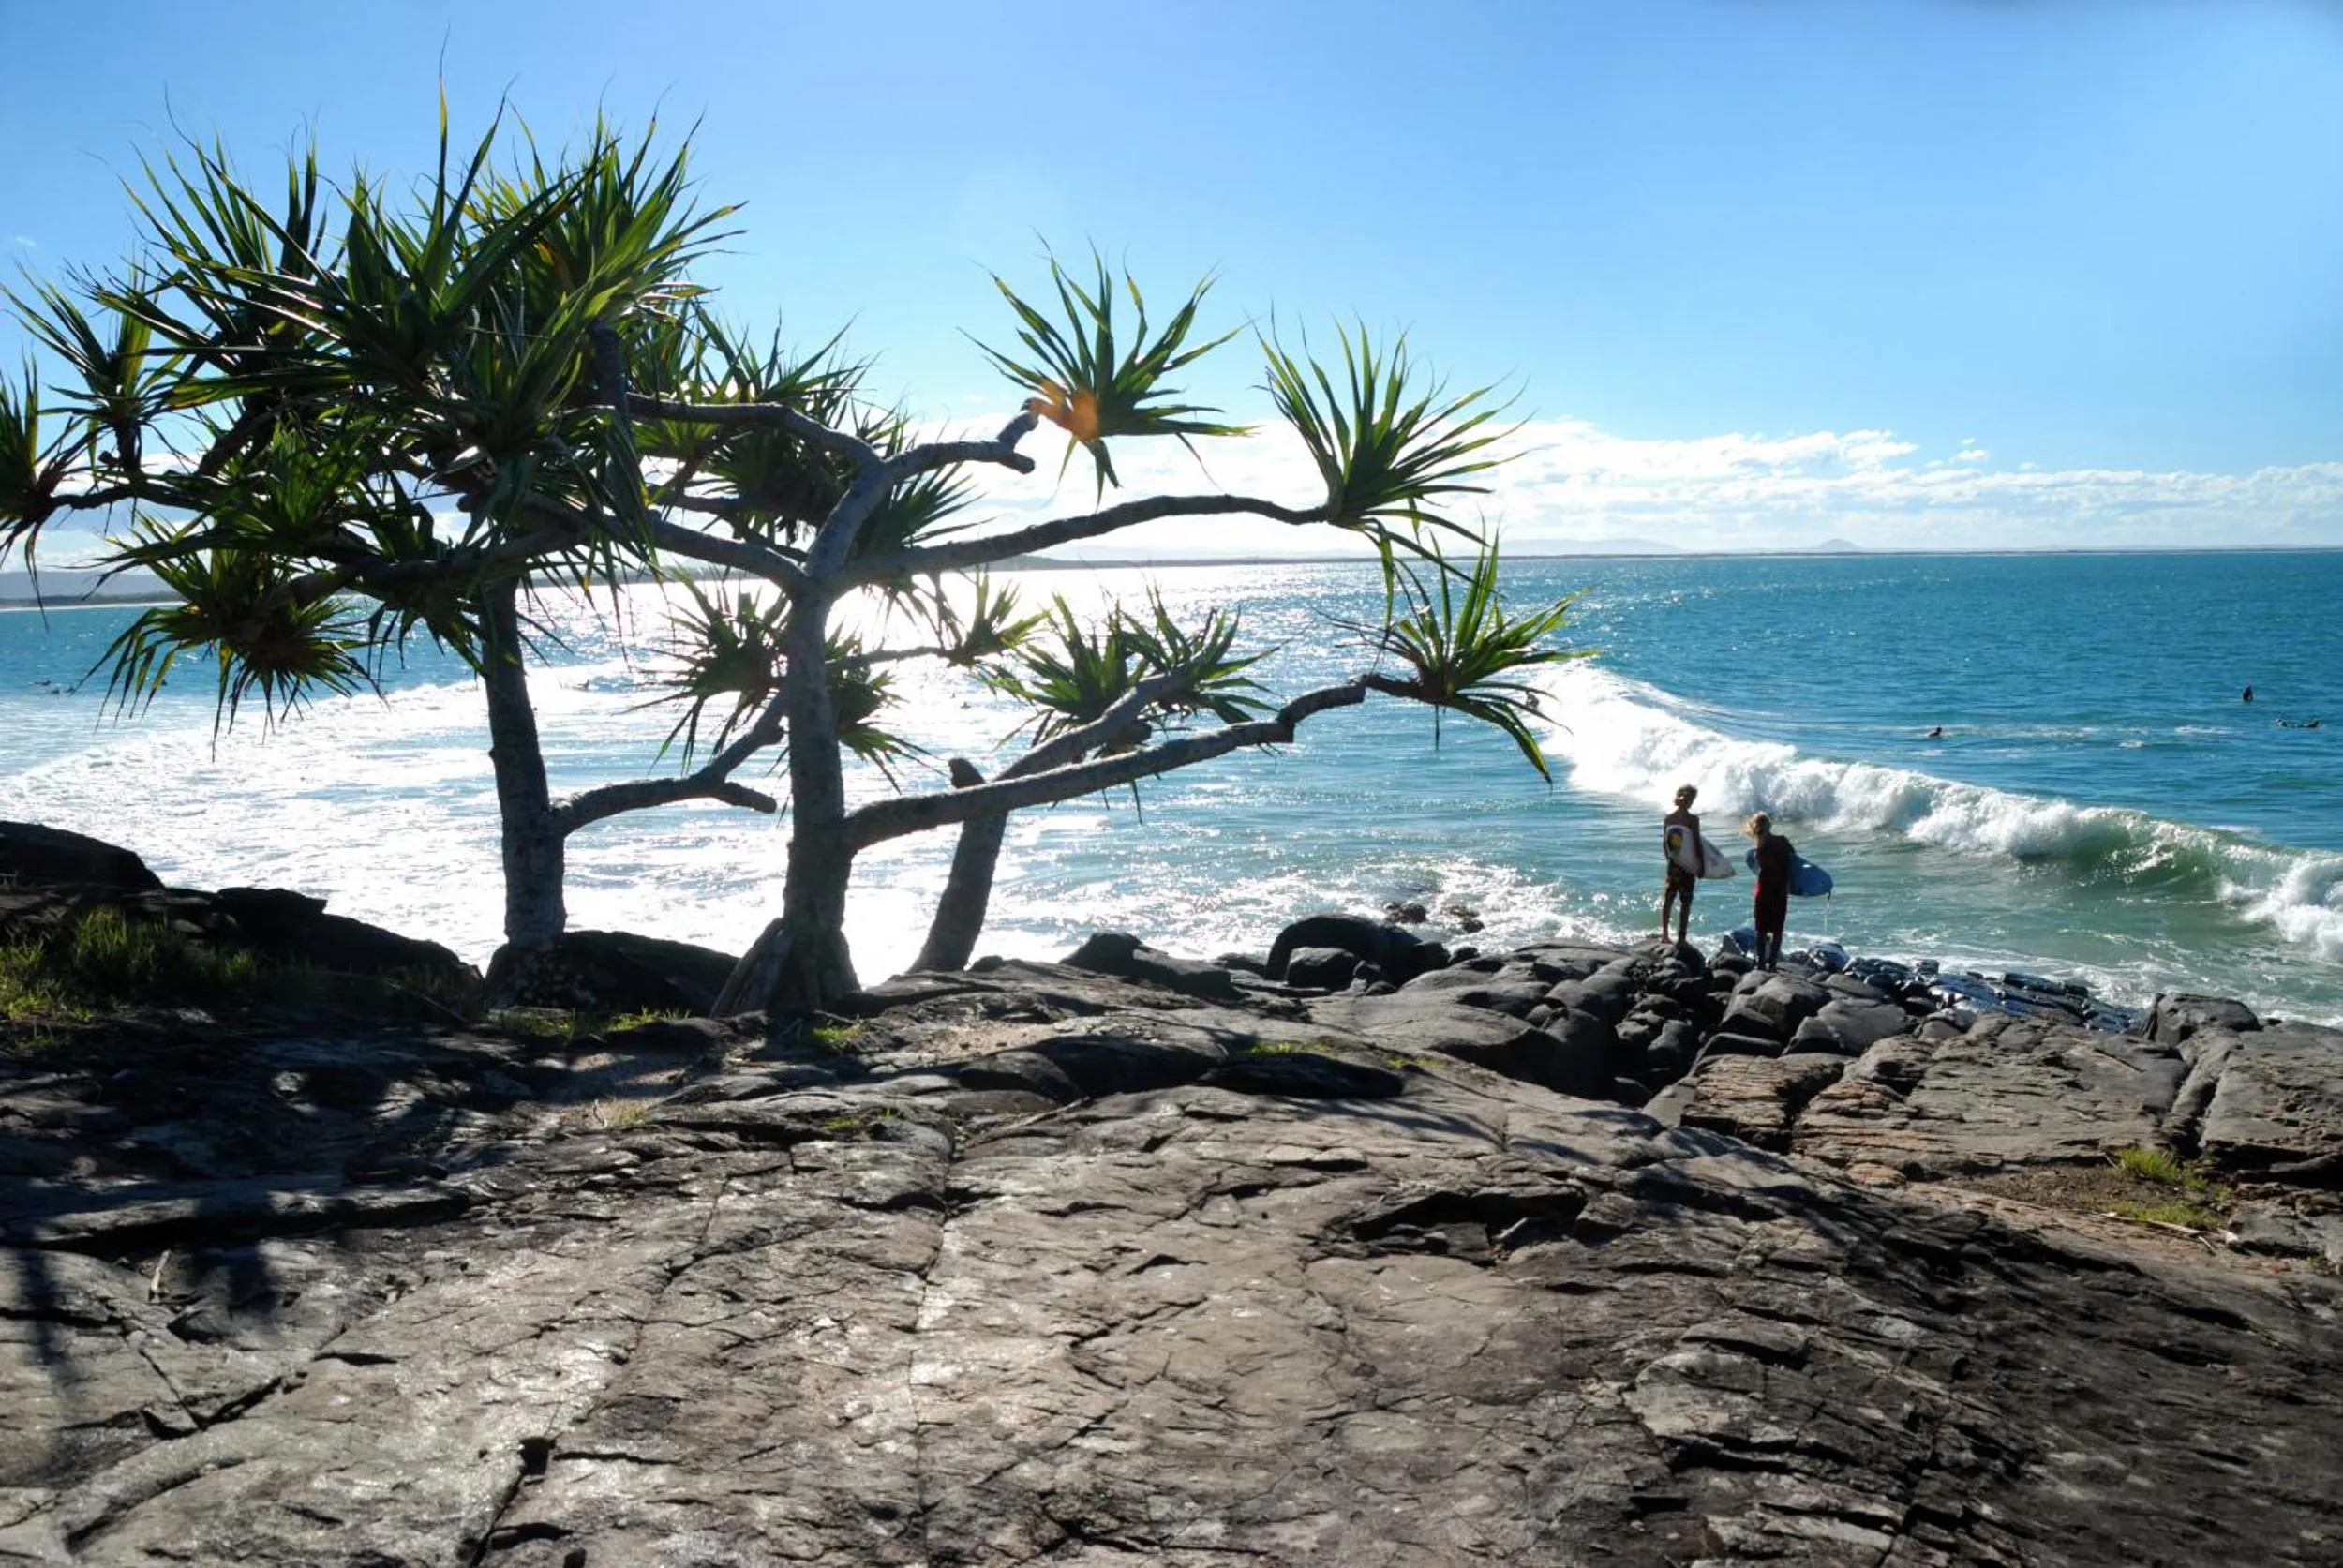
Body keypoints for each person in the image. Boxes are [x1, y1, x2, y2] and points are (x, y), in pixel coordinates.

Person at [1746, 812, 1794, 972]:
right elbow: (1794, 861)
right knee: (1777, 929)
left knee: (1762, 929)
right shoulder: (1782, 841)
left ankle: (1761, 963)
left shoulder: (1759, 846)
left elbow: (1760, 868)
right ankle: (1772, 964)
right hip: (1778, 889)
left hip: (1764, 890)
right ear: (1769, 825)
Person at [1660, 784, 1701, 947]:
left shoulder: (1668, 818)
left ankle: (1664, 935)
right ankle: (1682, 938)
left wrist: (1669, 860)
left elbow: (1665, 843)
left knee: (1668, 899)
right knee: (1686, 901)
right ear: (1690, 801)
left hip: (1673, 864)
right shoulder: (1693, 820)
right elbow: (1696, 844)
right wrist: (1701, 865)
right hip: (1688, 865)